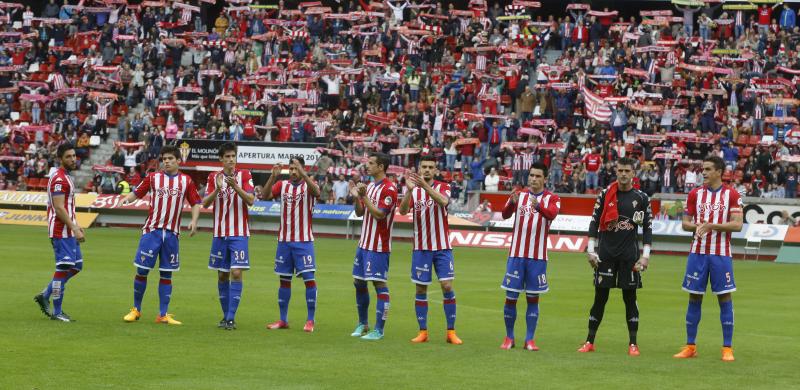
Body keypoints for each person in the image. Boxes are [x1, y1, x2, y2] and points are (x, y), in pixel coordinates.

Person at [121, 145, 202, 325]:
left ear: (178, 161)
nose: (166, 162)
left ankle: (162, 314)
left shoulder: (186, 181)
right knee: (142, 271)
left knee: (166, 274)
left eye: (170, 159)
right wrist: (127, 198)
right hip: (152, 231)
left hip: (172, 234)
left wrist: (194, 221)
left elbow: (196, 202)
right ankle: (136, 310)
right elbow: (137, 193)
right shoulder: (153, 178)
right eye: (164, 159)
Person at [580, 157, 653, 356]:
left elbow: (647, 229)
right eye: (620, 170)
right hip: (605, 256)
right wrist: (591, 250)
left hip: (629, 258)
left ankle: (633, 344)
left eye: (627, 171)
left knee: (630, 299)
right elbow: (594, 223)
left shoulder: (642, 198)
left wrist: (645, 256)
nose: (623, 174)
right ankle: (589, 341)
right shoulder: (606, 194)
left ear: (633, 173)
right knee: (599, 298)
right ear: (616, 171)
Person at [674, 156, 743, 362]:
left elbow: (737, 224)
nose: (703, 172)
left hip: (721, 254)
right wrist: (697, 226)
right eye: (702, 169)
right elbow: (685, 223)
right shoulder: (695, 194)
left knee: (724, 298)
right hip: (697, 252)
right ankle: (690, 346)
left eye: (708, 169)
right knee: (694, 297)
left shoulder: (732, 195)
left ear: (719, 172)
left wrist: (711, 225)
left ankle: (727, 348)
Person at [398, 156, 462, 345]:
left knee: (447, 286)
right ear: (419, 168)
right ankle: (422, 331)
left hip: (442, 247)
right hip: (421, 248)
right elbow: (402, 211)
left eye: (430, 167)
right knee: (420, 288)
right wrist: (409, 192)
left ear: (435, 170)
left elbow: (443, 201)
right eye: (423, 166)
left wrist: (425, 187)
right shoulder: (413, 189)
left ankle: (451, 332)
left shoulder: (443, 186)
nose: (426, 170)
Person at [499, 162, 561, 351]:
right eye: (531, 175)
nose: (533, 179)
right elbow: (504, 215)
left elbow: (551, 214)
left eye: (537, 176)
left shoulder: (552, 198)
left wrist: (538, 206)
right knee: (511, 298)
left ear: (545, 178)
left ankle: (529, 339)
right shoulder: (520, 195)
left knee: (533, 299)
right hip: (516, 255)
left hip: (537, 258)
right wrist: (512, 202)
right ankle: (509, 338)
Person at [261, 157, 321, 332]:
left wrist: (304, 174)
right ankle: (283, 320)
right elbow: (264, 196)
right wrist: (272, 177)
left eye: (297, 168)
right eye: (291, 168)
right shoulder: (282, 185)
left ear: (302, 169)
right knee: (284, 281)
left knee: (309, 280)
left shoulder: (309, 184)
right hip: (284, 242)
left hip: (304, 241)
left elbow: (317, 193)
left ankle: (310, 320)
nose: (294, 172)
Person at [201, 142, 255, 330]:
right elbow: (205, 204)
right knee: (222, 275)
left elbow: (251, 200)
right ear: (221, 159)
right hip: (220, 234)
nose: (231, 160)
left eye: (233, 156)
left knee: (237, 272)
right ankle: (225, 316)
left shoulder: (245, 175)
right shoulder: (213, 177)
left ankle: (231, 317)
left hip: (239, 233)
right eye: (227, 157)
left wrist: (236, 187)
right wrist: (217, 189)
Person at [34, 143, 85, 322]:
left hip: (68, 230)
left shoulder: (66, 177)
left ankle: (45, 294)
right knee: (63, 268)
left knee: (76, 266)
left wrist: (76, 226)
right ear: (60, 158)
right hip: (60, 231)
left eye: (74, 156)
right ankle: (57, 312)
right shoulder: (59, 180)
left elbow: (68, 208)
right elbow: (59, 208)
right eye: (68, 156)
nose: (73, 159)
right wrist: (73, 227)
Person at [350, 153, 398, 340]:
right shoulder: (370, 186)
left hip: (378, 245)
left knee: (379, 284)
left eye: (371, 163)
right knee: (358, 282)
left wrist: (364, 197)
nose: (367, 166)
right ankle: (363, 323)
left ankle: (379, 329)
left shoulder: (390, 189)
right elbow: (361, 212)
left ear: (381, 167)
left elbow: (379, 215)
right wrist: (357, 198)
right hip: (364, 243)